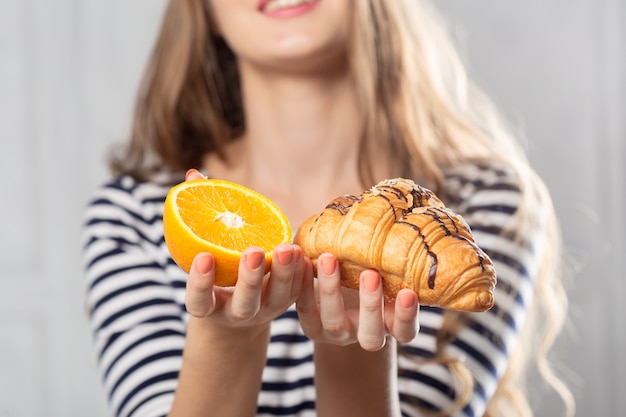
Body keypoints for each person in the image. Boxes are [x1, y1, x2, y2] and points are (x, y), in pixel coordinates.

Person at [81, 1, 574, 416]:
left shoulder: (486, 208)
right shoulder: (139, 218)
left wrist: (355, 351)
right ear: (202, 10)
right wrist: (229, 335)